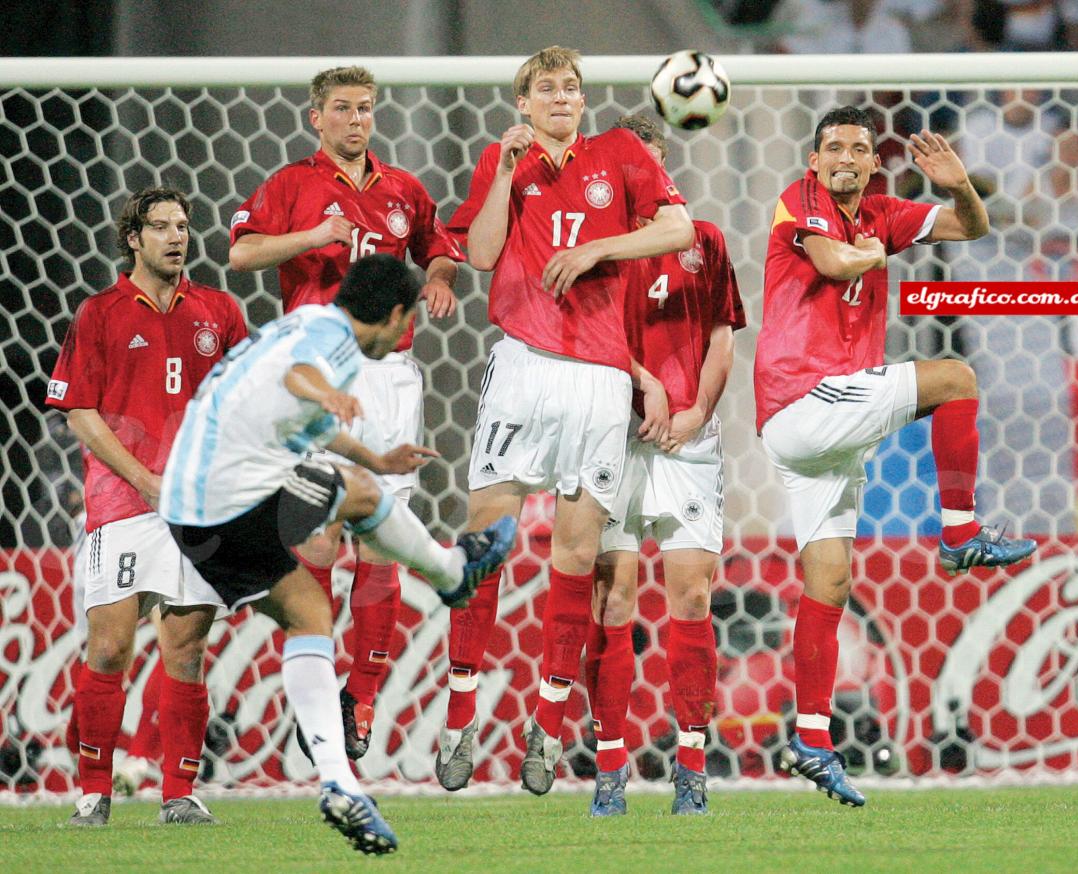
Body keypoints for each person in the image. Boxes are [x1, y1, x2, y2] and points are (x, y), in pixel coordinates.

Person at [159, 254, 516, 856]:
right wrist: (330, 393)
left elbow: (300, 418)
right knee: (351, 518)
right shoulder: (329, 341)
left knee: (315, 600)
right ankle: (452, 575)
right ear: (398, 315)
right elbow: (300, 378)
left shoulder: (308, 324)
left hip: (192, 507)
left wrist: (376, 455)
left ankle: (338, 785)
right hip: (230, 500)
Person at [755, 105, 1036, 807]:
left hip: (822, 433)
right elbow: (831, 260)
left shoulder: (882, 208)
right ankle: (962, 532)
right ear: (814, 160)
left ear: (876, 161)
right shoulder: (799, 200)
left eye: (859, 146)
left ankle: (812, 739)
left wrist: (959, 185)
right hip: (806, 396)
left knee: (829, 580)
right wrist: (883, 247)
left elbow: (973, 227)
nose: (845, 156)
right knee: (955, 379)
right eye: (833, 147)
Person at [438, 46, 693, 796]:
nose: (561, 97)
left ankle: (545, 728)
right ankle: (460, 719)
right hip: (522, 366)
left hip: (601, 379)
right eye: (546, 88)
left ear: (584, 101)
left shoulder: (619, 154)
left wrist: (598, 247)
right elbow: (481, 253)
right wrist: (504, 174)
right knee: (485, 539)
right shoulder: (502, 159)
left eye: (571, 87)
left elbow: (678, 228)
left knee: (577, 558)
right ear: (522, 103)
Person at [228, 64, 464, 761]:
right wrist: (312, 237)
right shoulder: (290, 185)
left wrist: (443, 281)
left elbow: (441, 249)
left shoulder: (403, 190)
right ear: (316, 118)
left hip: (388, 378)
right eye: (342, 108)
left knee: (381, 540)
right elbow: (240, 253)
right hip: (315, 374)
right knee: (318, 539)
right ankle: (316, 681)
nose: (356, 119)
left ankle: (357, 699)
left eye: (365, 108)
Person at [46, 186, 248, 826]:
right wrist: (144, 478)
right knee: (108, 648)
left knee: (186, 650)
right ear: (133, 238)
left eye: (183, 226)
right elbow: (79, 411)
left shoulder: (220, 310)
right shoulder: (99, 312)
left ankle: (179, 794)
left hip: (198, 507)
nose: (175, 236)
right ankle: (94, 792)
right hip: (122, 504)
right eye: (159, 226)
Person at [585, 116, 747, 817]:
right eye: (634, 167)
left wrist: (694, 412)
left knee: (690, 597)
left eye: (655, 164)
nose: (648, 177)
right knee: (613, 601)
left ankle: (691, 768)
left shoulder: (703, 240)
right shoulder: (595, 250)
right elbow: (580, 338)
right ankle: (611, 768)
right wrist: (640, 388)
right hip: (613, 437)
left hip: (687, 440)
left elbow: (721, 338)